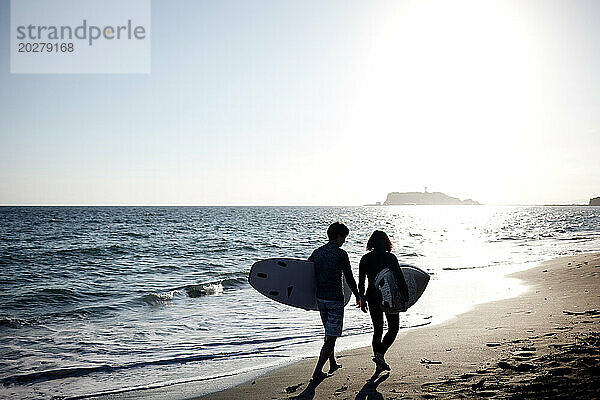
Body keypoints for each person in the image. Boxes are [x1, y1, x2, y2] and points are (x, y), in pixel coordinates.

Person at [308, 222, 365, 381]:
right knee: (331, 336)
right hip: (334, 300)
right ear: (338, 235)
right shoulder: (341, 254)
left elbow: (306, 273)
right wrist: (358, 295)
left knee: (329, 332)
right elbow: (349, 278)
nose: (344, 241)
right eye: (344, 237)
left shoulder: (317, 253)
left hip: (320, 299)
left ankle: (332, 362)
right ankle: (317, 371)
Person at [358, 230, 409, 372]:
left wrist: (361, 298)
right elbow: (399, 279)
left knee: (378, 330)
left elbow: (361, 281)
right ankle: (380, 356)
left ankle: (379, 361)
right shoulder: (390, 258)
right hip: (389, 297)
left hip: (372, 296)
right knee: (393, 328)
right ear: (387, 243)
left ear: (371, 243)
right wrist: (405, 298)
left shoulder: (365, 259)